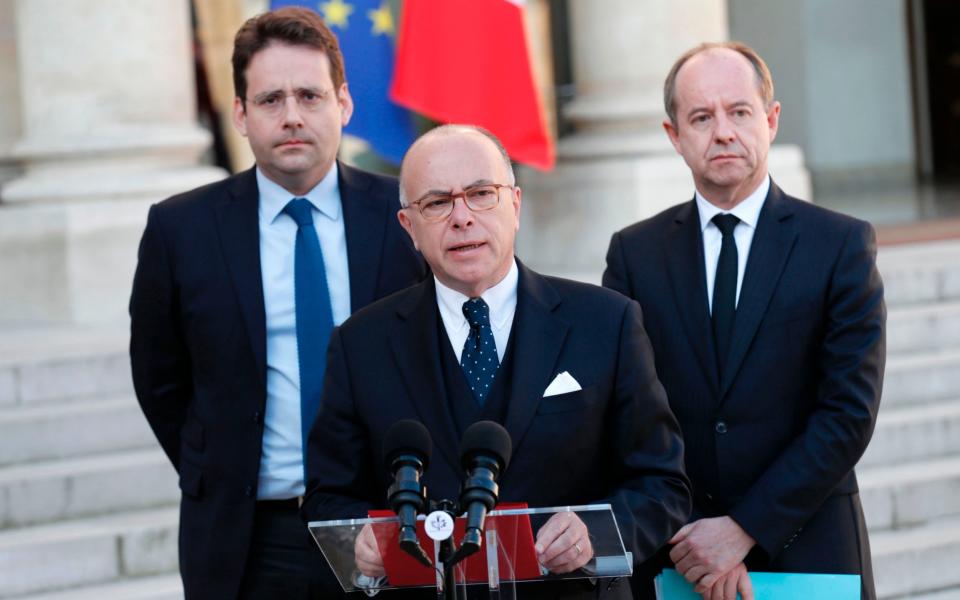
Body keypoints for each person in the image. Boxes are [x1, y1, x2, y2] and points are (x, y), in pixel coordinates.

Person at [300, 125, 691, 599]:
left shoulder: (606, 322)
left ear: (516, 205)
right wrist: (360, 539)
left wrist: (597, 534)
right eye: (438, 203)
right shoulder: (360, 344)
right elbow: (327, 497)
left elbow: (662, 484)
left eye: (481, 194)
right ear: (409, 226)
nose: (462, 217)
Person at [129, 7, 425, 599]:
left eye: (310, 96)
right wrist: (217, 467)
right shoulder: (180, 230)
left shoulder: (407, 218)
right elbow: (160, 379)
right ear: (239, 113)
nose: (291, 117)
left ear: (344, 104)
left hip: (391, 527)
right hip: (249, 541)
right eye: (270, 100)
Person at [603, 42, 885, 600]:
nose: (723, 131)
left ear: (771, 120)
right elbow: (627, 410)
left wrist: (744, 529)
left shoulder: (841, 244)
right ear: (674, 135)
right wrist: (697, 533)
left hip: (807, 543)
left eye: (739, 111)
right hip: (677, 549)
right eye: (702, 117)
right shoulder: (634, 255)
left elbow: (847, 412)